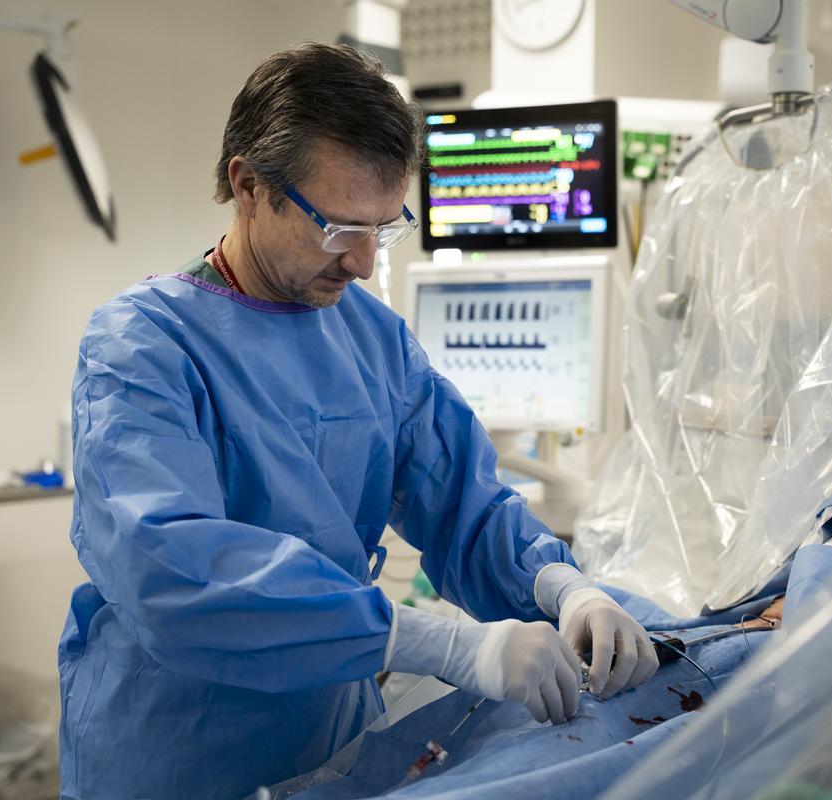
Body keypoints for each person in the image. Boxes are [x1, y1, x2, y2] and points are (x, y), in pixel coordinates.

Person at [57, 42, 657, 800]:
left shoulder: (372, 340)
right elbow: (171, 569)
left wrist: (564, 588)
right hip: (179, 753)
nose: (366, 262)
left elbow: (465, 507)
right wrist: (438, 643)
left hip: (334, 746)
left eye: (386, 226)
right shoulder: (142, 346)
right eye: (340, 227)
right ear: (248, 186)